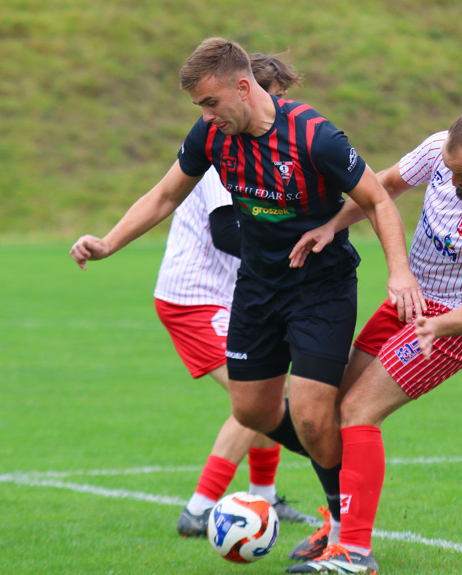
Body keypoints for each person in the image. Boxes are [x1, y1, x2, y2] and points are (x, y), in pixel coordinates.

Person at [69, 38, 423, 540]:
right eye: (200, 107)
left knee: (310, 413)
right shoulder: (211, 135)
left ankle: (343, 527)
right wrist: (108, 243)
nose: (207, 115)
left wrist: (399, 271)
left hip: (320, 289)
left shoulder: (313, 135)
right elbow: (165, 194)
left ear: (242, 86)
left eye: (211, 103)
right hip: (257, 288)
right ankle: (341, 459)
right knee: (250, 409)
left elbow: (378, 198)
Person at [284, 110, 462, 574]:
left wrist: (436, 327)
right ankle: (340, 528)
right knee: (331, 408)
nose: (452, 180)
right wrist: (332, 225)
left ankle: (354, 554)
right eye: (449, 170)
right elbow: (379, 186)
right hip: (412, 301)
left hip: (457, 324)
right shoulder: (441, 150)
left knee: (359, 411)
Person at [159, 53, 314, 537]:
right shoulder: (224, 153)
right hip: (194, 297)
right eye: (278, 97)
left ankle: (264, 500)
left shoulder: (274, 147)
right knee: (256, 401)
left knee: (269, 389)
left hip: (234, 294)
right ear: (248, 94)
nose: (284, 108)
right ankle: (200, 507)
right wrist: (298, 242)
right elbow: (227, 233)